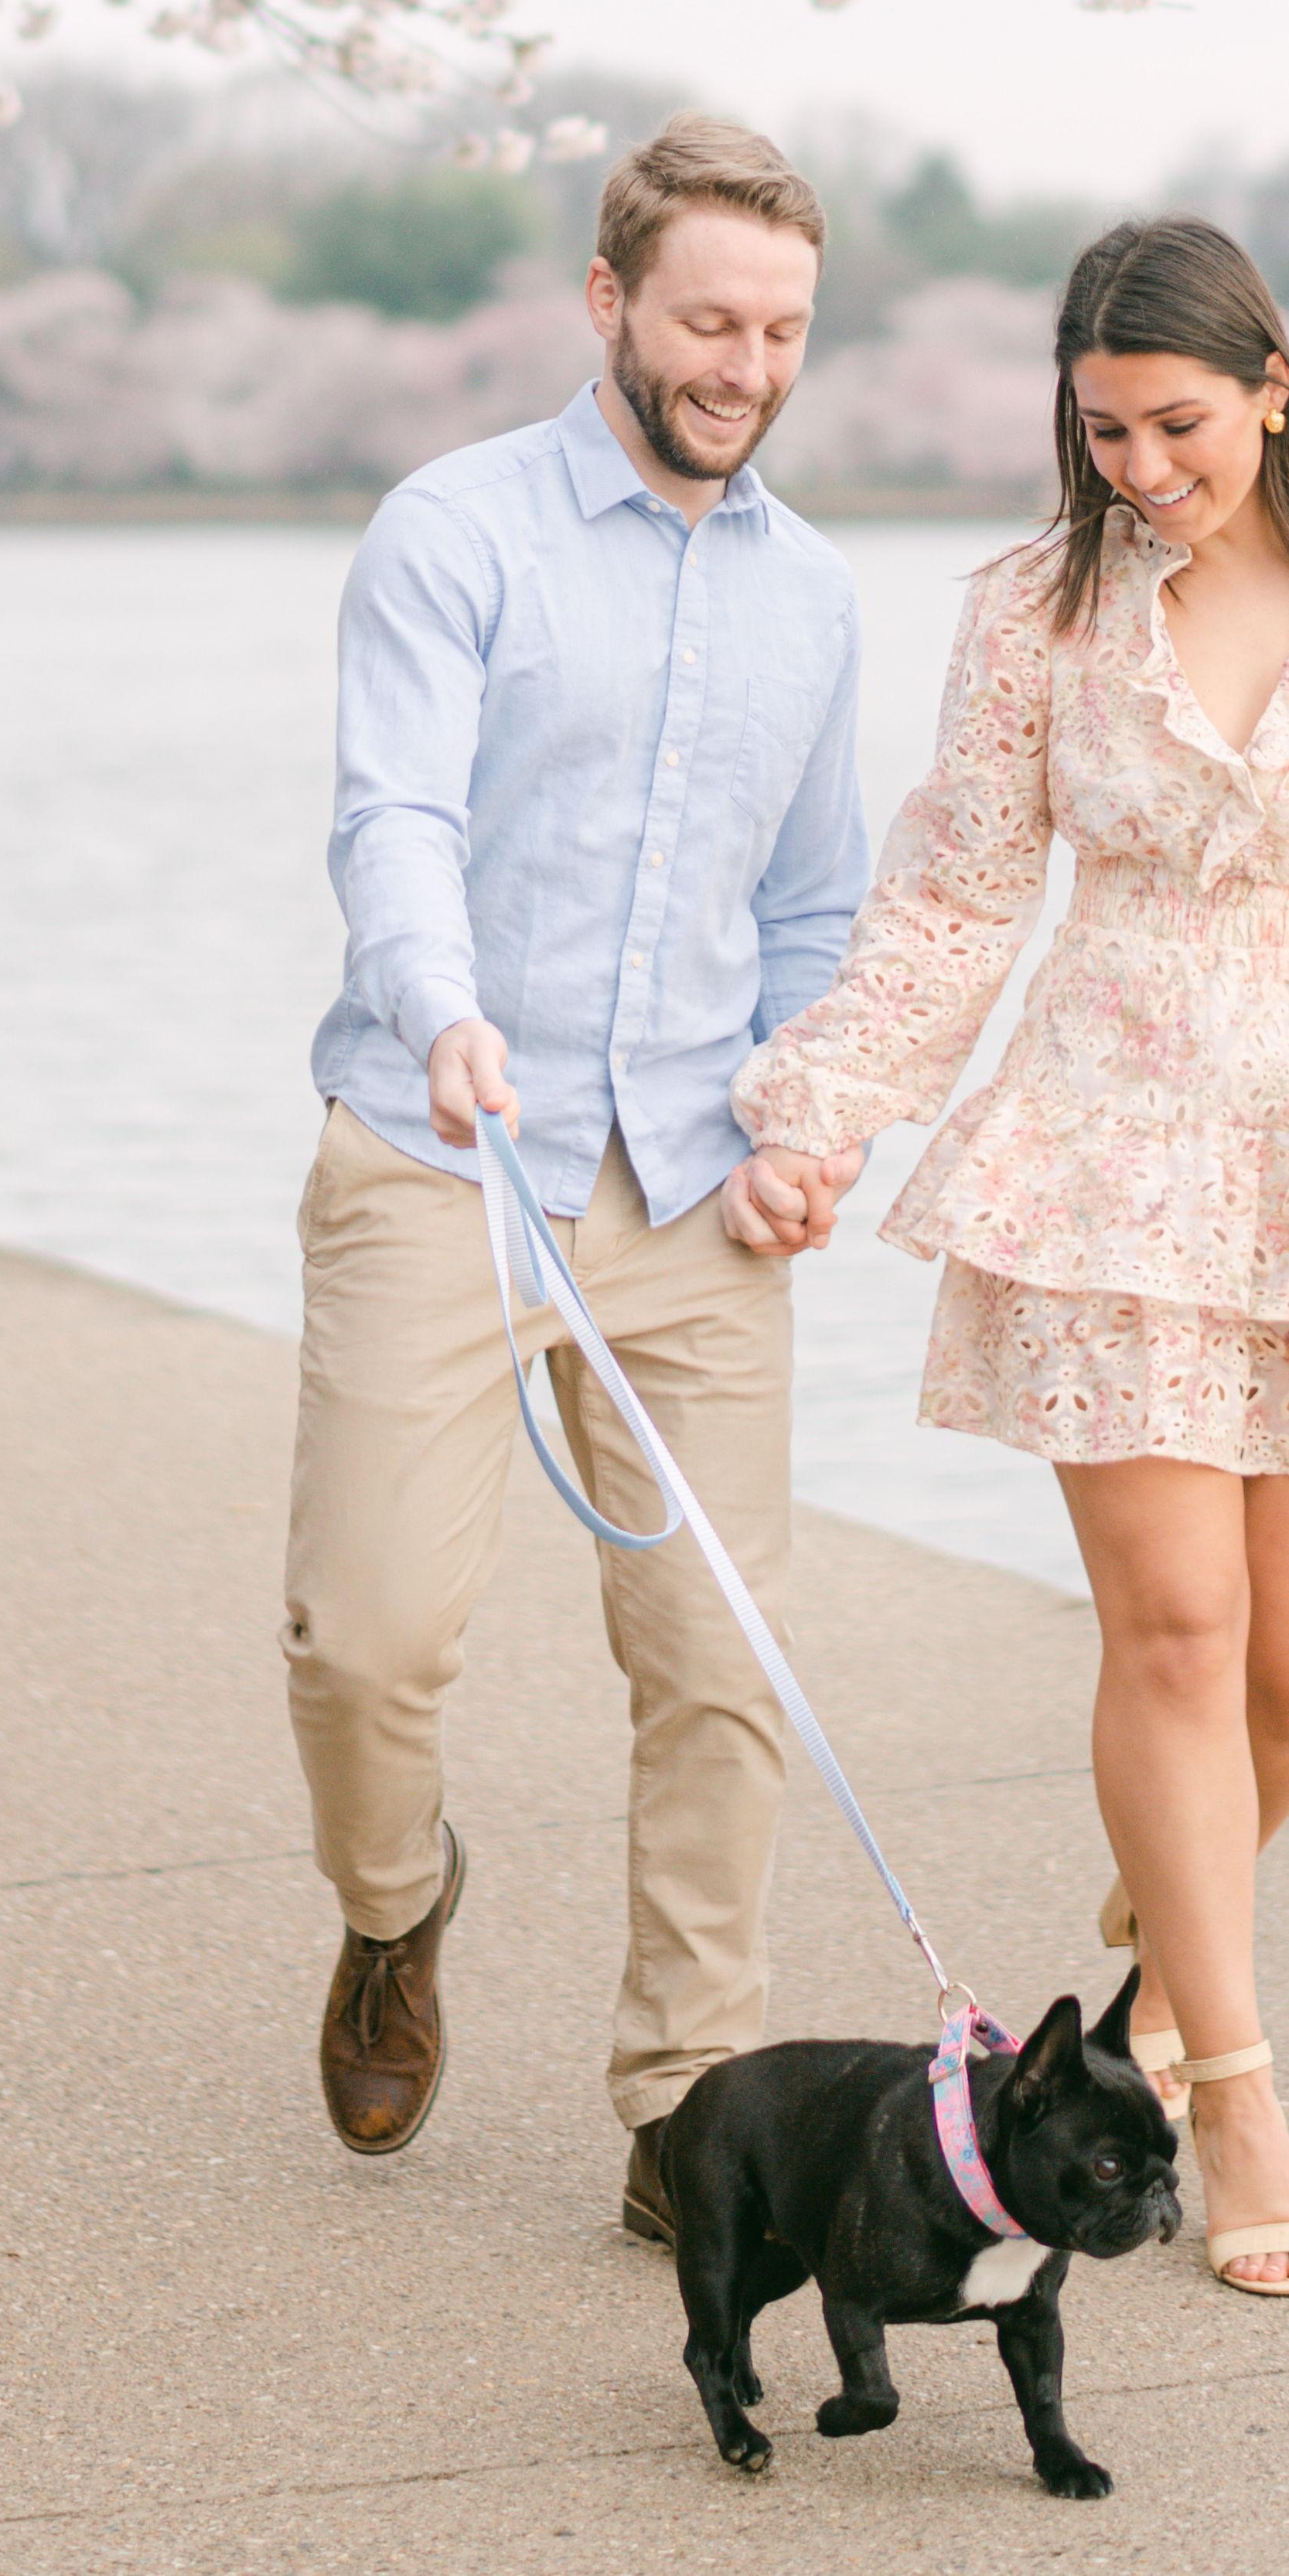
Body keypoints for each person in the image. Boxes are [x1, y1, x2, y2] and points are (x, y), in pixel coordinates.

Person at [728, 216, 1289, 2298]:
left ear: (1270, 383)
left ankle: (1168, 1947)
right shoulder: (1036, 608)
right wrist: (821, 1110)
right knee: (1176, 1635)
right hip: (1102, 1152)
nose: (1139, 465)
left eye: (1175, 421)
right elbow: (952, 891)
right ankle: (1231, 2082)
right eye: (1100, 429)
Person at [281, 114, 865, 2251]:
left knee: (720, 1664)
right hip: (442, 1150)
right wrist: (437, 1005)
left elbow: (815, 914)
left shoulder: (811, 595)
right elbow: (392, 812)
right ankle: (391, 1903)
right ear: (607, 302)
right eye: (708, 316)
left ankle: (683, 2102)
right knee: (368, 1638)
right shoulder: (453, 531)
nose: (744, 361)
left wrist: (810, 1119)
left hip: (695, 1192)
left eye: (784, 326)